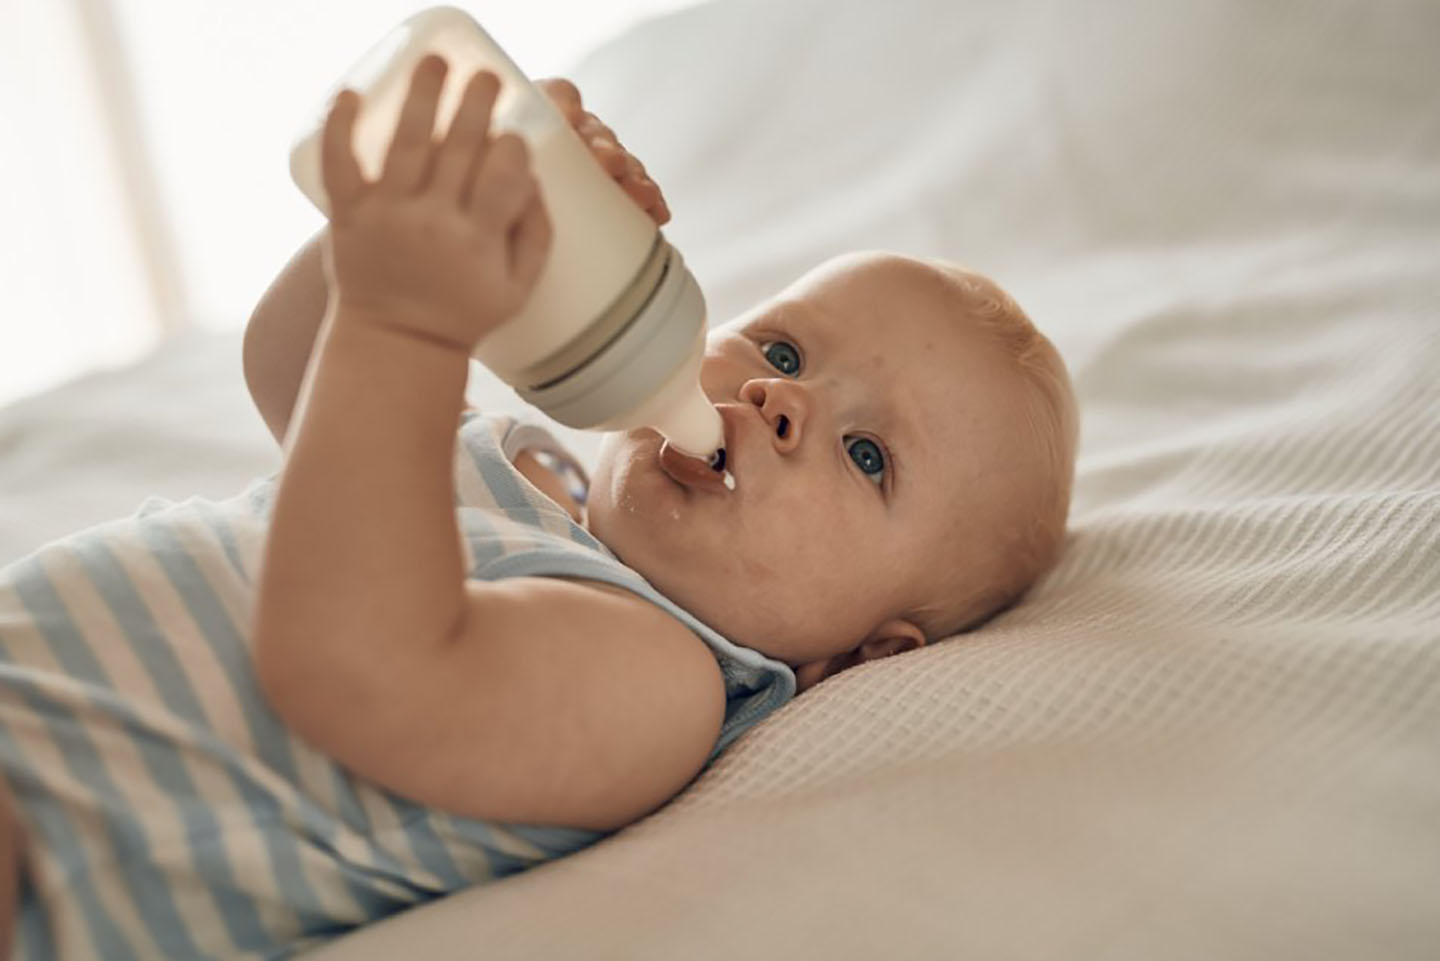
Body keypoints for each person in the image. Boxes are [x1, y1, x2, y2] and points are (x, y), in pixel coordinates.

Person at [0, 55, 1077, 959]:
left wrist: (408, 318)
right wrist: (447, 220)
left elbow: (360, 664)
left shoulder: (660, 681)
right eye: (786, 347)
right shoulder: (532, 479)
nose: (777, 396)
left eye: (867, 454)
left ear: (864, 658)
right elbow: (291, 365)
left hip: (51, 840)